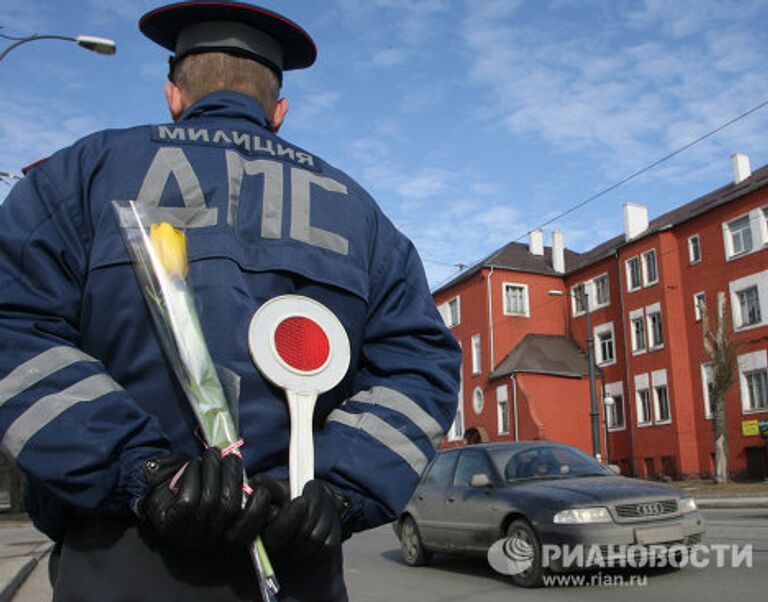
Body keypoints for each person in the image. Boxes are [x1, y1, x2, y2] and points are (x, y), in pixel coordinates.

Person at [0, 2, 461, 601]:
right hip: (298, 561)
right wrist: (335, 492)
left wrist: (142, 473)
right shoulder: (360, 214)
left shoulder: (81, 175)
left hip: (120, 559)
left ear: (174, 94)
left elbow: (14, 330)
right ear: (279, 112)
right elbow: (421, 367)